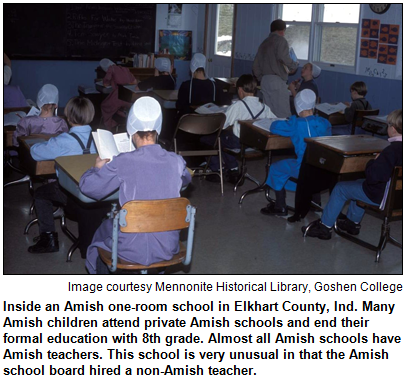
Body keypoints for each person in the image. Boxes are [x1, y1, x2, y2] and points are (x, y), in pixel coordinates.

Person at [79, 97, 192, 274]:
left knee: (103, 232)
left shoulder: (123, 161)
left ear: (131, 131)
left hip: (130, 250)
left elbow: (89, 188)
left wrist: (95, 169)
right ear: (158, 129)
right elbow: (186, 180)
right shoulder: (176, 161)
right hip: (167, 248)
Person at [302, 109, 402, 240]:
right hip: (399, 198)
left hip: (383, 197)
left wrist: (372, 162)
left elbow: (374, 177)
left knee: (340, 188)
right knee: (357, 183)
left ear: (393, 129)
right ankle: (352, 224)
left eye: (389, 125)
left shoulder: (391, 151)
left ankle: (324, 227)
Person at [28, 97, 97, 253]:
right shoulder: (100, 139)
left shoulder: (63, 140)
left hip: (72, 195)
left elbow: (35, 153)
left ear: (68, 117)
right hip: (97, 194)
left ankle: (48, 238)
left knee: (40, 194)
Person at [260, 89, 331, 217]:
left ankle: (280, 206)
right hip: (323, 168)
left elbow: (274, 126)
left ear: (297, 107)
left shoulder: (295, 123)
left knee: (276, 169)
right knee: (314, 166)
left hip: (302, 168)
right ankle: (316, 202)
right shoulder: (325, 123)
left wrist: (290, 119)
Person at [202, 74, 277, 183]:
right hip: (256, 144)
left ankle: (217, 169)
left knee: (209, 139)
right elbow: (275, 121)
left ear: (240, 90)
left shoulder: (238, 106)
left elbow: (222, 124)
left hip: (239, 143)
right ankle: (233, 169)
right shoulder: (264, 107)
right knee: (226, 138)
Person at [253, 19, 298, 118]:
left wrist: (262, 78)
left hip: (264, 81)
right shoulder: (281, 41)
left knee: (269, 115)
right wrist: (294, 65)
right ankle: (283, 134)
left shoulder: (263, 43)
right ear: (282, 30)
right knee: (283, 114)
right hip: (276, 81)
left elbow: (255, 66)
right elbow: (283, 57)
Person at [176, 53, 228, 117]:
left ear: (192, 69)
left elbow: (179, 106)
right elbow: (221, 104)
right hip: (210, 124)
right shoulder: (215, 86)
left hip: (189, 124)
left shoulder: (186, 85)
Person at [100, 58, 137, 129]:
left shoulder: (111, 69)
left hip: (119, 95)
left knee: (104, 105)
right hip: (129, 96)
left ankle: (109, 125)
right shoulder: (124, 68)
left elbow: (106, 83)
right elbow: (134, 81)